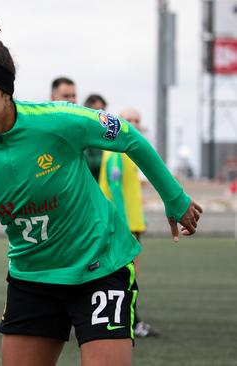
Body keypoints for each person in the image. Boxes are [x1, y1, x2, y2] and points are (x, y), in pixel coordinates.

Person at [0, 14, 203, 366]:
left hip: (100, 268)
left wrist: (175, 199)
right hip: (31, 279)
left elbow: (128, 135)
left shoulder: (59, 121)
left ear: (6, 92)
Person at [99, 107, 159, 338]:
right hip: (123, 226)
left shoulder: (127, 151)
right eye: (129, 119)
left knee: (126, 275)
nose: (134, 123)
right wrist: (124, 224)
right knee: (125, 276)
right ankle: (126, 322)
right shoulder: (116, 151)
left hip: (132, 224)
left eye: (137, 120)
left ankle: (124, 319)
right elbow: (114, 187)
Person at [83, 94, 108, 181]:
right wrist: (108, 160)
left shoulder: (103, 133)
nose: (102, 115)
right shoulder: (82, 133)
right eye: (98, 111)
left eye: (104, 111)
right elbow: (86, 163)